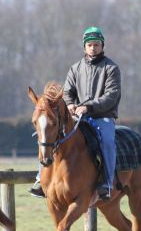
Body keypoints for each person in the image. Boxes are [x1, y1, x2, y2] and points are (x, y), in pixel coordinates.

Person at [29, 26, 121, 201]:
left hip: (103, 117)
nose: (93, 48)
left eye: (96, 44)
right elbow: (68, 92)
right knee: (48, 134)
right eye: (89, 45)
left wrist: (89, 107)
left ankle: (107, 184)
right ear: (84, 47)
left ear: (102, 46)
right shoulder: (75, 68)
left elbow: (112, 95)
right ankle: (40, 180)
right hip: (78, 116)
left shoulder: (111, 68)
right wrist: (70, 104)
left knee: (108, 142)